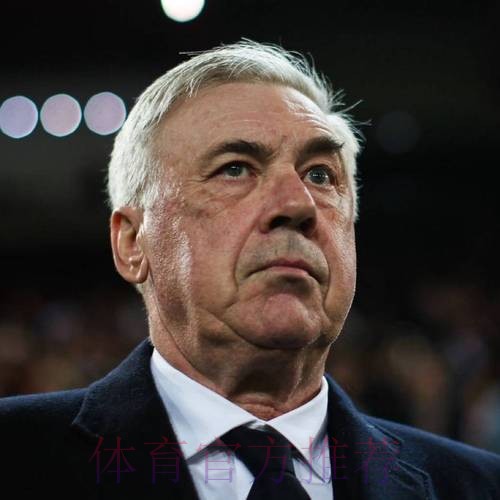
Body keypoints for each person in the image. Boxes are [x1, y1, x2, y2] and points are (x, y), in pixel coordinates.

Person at [0, 41, 499, 500]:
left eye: (320, 175)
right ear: (133, 243)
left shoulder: (477, 485)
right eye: (235, 168)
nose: (297, 204)